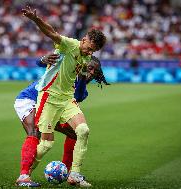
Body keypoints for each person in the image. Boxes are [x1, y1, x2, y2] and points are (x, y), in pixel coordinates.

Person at [21, 5, 106, 187]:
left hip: (67, 99)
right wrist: (36, 20)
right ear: (84, 40)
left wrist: (88, 74)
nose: (89, 53)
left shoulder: (84, 56)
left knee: (83, 130)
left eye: (93, 51)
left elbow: (78, 77)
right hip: (49, 97)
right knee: (46, 145)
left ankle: (75, 174)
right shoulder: (71, 45)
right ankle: (24, 175)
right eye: (89, 48)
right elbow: (52, 33)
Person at [14, 55, 109, 187]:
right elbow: (42, 62)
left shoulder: (81, 88)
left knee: (75, 133)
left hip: (53, 105)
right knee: (35, 133)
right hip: (29, 99)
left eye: (95, 71)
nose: (92, 73)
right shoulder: (67, 69)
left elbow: (79, 96)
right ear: (82, 65)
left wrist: (82, 76)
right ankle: (24, 176)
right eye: (90, 68)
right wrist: (42, 60)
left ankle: (70, 173)